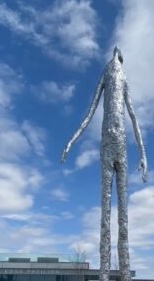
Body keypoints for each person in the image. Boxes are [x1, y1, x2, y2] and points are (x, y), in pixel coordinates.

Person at [61, 46, 147, 281]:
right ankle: (105, 275)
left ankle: (123, 275)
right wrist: (71, 140)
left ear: (119, 58)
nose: (117, 55)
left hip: (118, 148)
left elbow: (133, 116)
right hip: (109, 148)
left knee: (121, 217)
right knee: (107, 214)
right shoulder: (107, 74)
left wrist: (143, 154)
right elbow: (90, 112)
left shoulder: (120, 77)